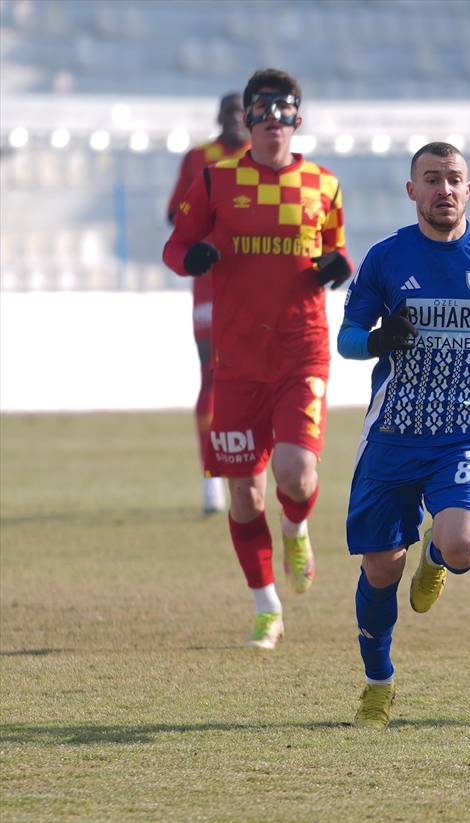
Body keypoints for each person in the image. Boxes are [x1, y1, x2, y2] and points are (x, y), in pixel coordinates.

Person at [337, 141, 470, 729]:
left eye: (454, 179)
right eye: (431, 179)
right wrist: (378, 340)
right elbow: (347, 338)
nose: (444, 190)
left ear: (468, 189)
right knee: (381, 569)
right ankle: (378, 684)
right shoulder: (385, 258)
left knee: (461, 547)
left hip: (462, 434)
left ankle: (436, 554)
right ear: (412, 191)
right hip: (393, 435)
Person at [163, 68, 353, 649]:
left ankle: (296, 527)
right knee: (246, 494)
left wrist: (340, 266)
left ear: (299, 118)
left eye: (285, 108)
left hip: (302, 353)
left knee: (295, 474)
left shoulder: (325, 183)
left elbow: (337, 248)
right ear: (247, 119)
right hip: (239, 361)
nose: (274, 119)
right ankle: (266, 604)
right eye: (263, 109)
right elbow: (175, 246)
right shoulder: (215, 181)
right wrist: (192, 257)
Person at [166, 93, 251, 515]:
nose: (236, 120)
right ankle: (212, 477)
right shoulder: (199, 157)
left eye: (243, 113)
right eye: (229, 113)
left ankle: (251, 469)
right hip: (211, 286)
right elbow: (175, 217)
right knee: (212, 374)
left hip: (258, 288)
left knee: (259, 376)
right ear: (218, 118)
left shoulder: (268, 160)